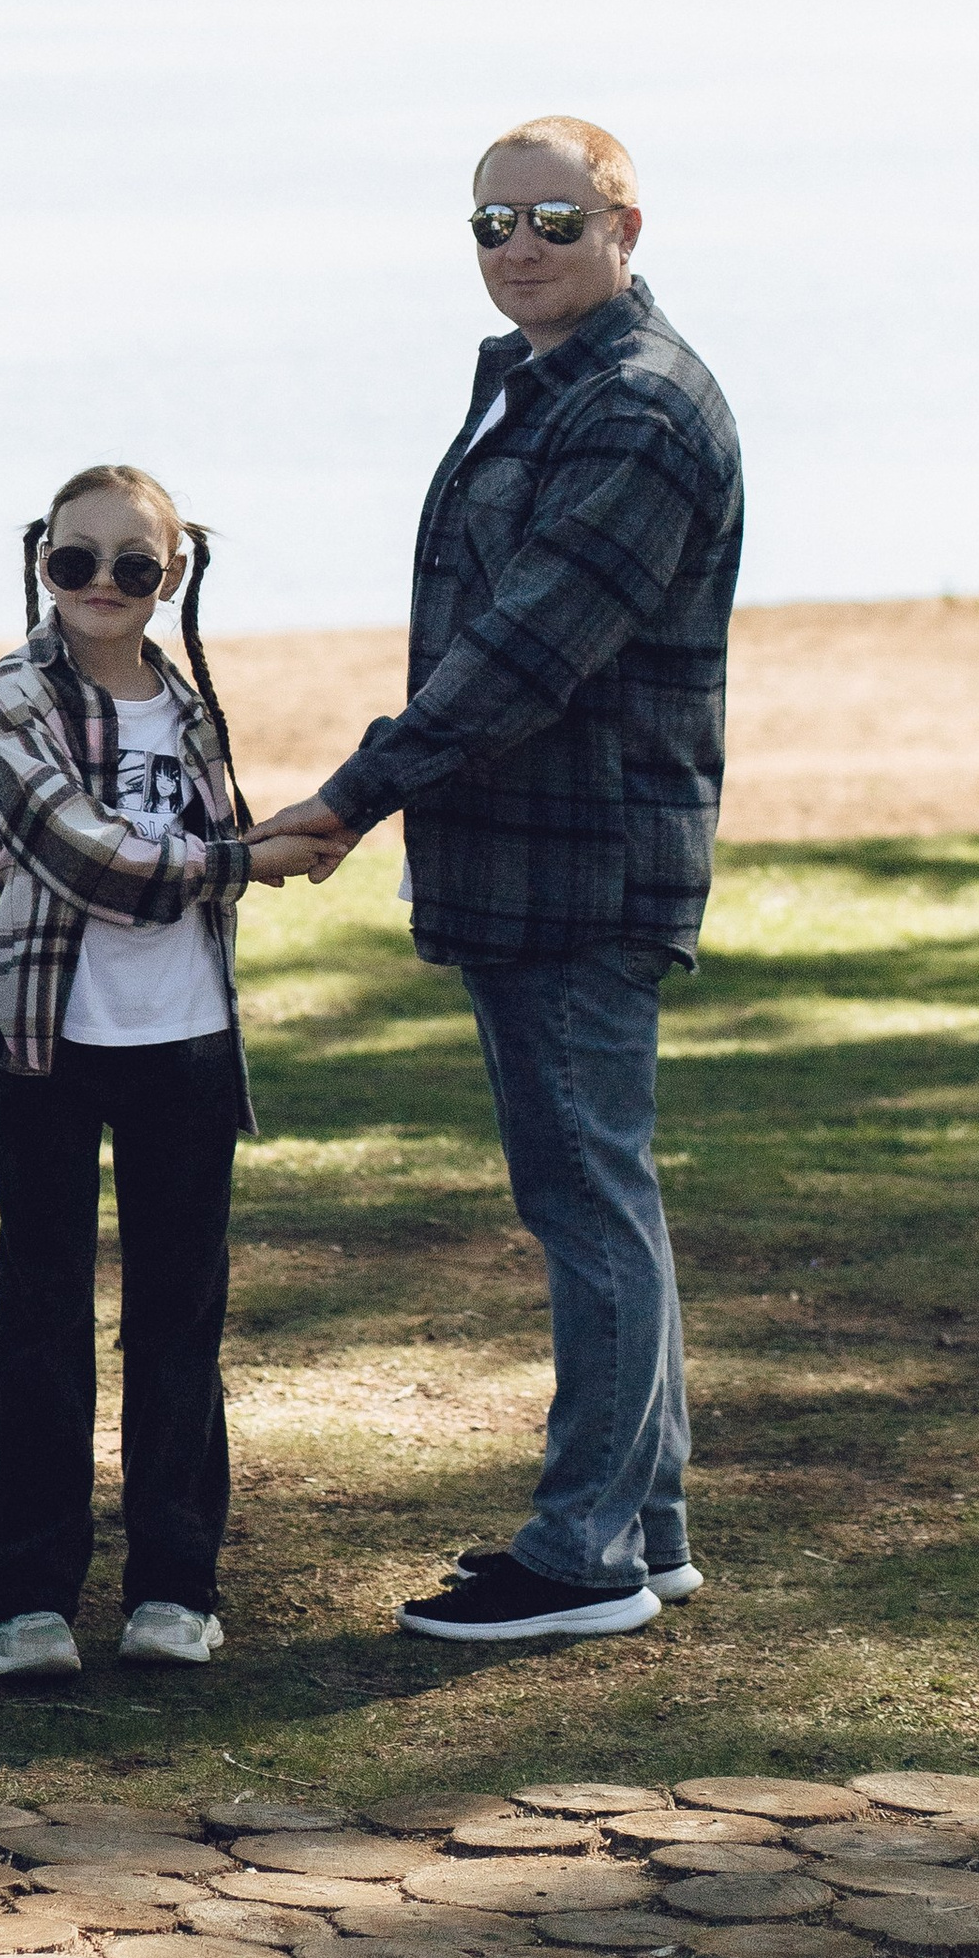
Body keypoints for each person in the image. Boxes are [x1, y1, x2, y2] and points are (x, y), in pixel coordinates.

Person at [255, 118, 743, 1644]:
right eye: (489, 225)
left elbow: (528, 647)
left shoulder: (641, 410)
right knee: (596, 1191)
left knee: (588, 1200)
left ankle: (586, 1553)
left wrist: (350, 797)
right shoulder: (549, 386)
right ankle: (643, 1522)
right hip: (524, 861)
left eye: (550, 217)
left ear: (626, 225)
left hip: (582, 865)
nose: (517, 245)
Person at [0, 464, 345, 1685]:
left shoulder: (186, 698)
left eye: (133, 564)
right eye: (75, 560)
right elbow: (86, 859)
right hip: (48, 1047)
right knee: (42, 1319)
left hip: (186, 1047)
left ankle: (176, 1584)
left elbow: (184, 854)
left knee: (181, 1322)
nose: (101, 584)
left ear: (171, 578)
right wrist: (250, 858)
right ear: (40, 564)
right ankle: (24, 1601)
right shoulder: (16, 694)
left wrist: (261, 847)